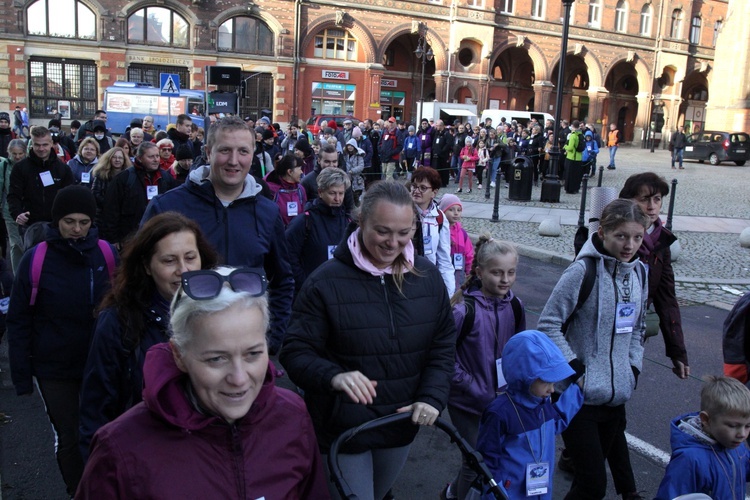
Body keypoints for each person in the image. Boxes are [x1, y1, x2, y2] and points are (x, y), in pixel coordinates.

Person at [77, 266, 329, 499]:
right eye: (217, 359)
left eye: (253, 354)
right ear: (179, 355)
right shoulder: (121, 448)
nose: (239, 379)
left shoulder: (292, 417)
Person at [280, 181, 456, 500]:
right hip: (343, 429)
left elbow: (442, 346)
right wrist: (334, 376)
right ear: (360, 222)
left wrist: (432, 396)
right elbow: (296, 352)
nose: (393, 243)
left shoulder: (427, 278)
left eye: (404, 232)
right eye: (383, 231)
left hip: (400, 424)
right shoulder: (325, 281)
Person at [141, 116, 294, 354]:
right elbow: (140, 276)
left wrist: (270, 339)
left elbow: (282, 279)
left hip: (243, 350)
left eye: (243, 151)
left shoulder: (267, 212)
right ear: (208, 152)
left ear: (253, 154)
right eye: (225, 150)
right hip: (180, 347)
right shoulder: (167, 206)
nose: (234, 161)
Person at [79, 212, 218, 460]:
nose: (183, 270)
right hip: (143, 457)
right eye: (169, 261)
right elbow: (97, 408)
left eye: (190, 257)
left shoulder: (221, 312)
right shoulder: (118, 322)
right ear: (146, 266)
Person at [7, 186, 117, 497]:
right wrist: (21, 376)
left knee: (103, 429)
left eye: (84, 222)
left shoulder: (107, 254)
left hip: (100, 361)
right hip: (54, 368)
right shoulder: (36, 259)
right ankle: (79, 490)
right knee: (69, 435)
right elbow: (19, 320)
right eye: (69, 221)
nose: (77, 229)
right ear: (57, 221)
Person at [537, 198, 649, 500]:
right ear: (602, 233)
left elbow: (638, 328)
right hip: (578, 398)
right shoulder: (581, 272)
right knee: (593, 484)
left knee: (589, 482)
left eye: (637, 237)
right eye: (621, 236)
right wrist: (578, 372)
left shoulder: (640, 273)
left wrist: (632, 370)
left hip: (615, 396)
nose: (630, 245)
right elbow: (547, 325)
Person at [442, 235, 524, 499]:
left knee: (493, 455)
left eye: (511, 272)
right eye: (497, 272)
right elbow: (443, 356)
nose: (505, 279)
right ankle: (454, 495)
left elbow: (520, 348)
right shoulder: (464, 311)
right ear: (479, 272)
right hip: (467, 402)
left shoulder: (514, 305)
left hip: (500, 400)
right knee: (477, 459)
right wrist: (470, 384)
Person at [476, 330, 584, 500]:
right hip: (508, 494)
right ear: (524, 376)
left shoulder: (541, 404)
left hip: (539, 490)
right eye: (546, 382)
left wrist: (578, 390)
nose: (552, 389)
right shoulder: (500, 413)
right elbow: (487, 459)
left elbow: (558, 420)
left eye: (553, 382)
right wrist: (496, 493)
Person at [619, 172, 689, 377]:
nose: (651, 206)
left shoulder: (660, 242)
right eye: (644, 199)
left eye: (656, 199)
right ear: (629, 202)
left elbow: (667, 298)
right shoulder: (615, 238)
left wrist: (678, 351)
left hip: (635, 333)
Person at [655, 376, 750, 500]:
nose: (742, 434)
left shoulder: (734, 444)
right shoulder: (689, 459)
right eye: (733, 425)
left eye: (748, 426)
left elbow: (744, 469)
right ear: (705, 419)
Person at [285, 167, 351, 294]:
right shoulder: (304, 221)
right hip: (310, 292)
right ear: (320, 192)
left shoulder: (348, 223)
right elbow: (288, 256)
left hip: (341, 291)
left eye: (341, 193)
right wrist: (304, 283)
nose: (337, 199)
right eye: (332, 193)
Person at [101, 142, 177, 249]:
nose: (156, 160)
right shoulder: (124, 178)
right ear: (140, 158)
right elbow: (111, 210)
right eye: (151, 157)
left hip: (158, 234)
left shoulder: (166, 178)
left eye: (157, 156)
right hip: (130, 237)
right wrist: (113, 239)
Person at [8, 126, 74, 229]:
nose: (41, 149)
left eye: (45, 145)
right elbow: (13, 195)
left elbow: (70, 197)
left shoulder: (63, 168)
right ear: (31, 144)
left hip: (56, 224)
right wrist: (17, 213)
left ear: (51, 143)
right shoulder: (20, 168)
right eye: (37, 145)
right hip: (29, 224)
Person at [410, 167, 456, 295]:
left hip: (428, 279)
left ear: (434, 193)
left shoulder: (439, 217)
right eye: (414, 186)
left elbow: (444, 258)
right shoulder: (404, 212)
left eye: (423, 188)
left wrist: (449, 292)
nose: (416, 191)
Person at [90, 147, 131, 229]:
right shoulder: (101, 174)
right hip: (102, 215)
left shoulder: (129, 176)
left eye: (120, 158)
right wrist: (109, 204)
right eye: (114, 157)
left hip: (121, 216)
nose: (117, 160)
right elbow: (95, 193)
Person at [2, 139, 27, 273]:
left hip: (27, 209)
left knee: (28, 243)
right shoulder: (4, 166)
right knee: (15, 244)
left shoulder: (28, 166)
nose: (17, 157)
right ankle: (18, 274)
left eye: (20, 153)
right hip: (9, 210)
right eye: (14, 154)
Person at [439, 194, 473, 289]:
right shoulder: (440, 231)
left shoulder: (462, 233)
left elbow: (469, 253)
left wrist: (469, 271)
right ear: (443, 211)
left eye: (459, 210)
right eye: (451, 209)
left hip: (459, 274)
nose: (456, 213)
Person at [264, 154, 306, 227]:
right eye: (299, 169)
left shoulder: (300, 190)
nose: (302, 172)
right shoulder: (271, 190)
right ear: (290, 172)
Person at [563, 120, 584, 194]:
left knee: (569, 174)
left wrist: (565, 146)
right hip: (579, 157)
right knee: (576, 175)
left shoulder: (573, 135)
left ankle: (569, 189)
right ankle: (576, 188)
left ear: (572, 126)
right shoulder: (581, 134)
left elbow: (570, 147)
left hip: (571, 157)